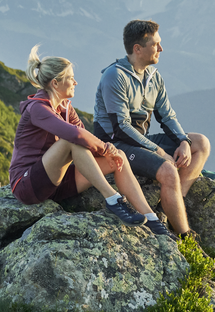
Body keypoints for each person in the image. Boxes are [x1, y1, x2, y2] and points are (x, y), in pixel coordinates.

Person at [9, 46, 174, 239]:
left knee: (118, 158)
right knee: (70, 142)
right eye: (70, 78)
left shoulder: (65, 108)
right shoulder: (37, 109)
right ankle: (113, 200)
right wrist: (105, 147)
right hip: (28, 184)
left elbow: (85, 136)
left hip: (56, 183)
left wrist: (110, 153)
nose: (75, 82)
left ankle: (151, 219)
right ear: (55, 83)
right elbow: (76, 135)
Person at [93, 19, 210, 237]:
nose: (161, 49)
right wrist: (159, 151)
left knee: (200, 143)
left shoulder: (154, 77)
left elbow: (167, 116)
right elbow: (121, 128)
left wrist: (184, 141)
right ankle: (185, 236)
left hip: (140, 140)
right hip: (117, 144)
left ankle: (176, 202)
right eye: (156, 44)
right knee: (168, 170)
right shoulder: (114, 76)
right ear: (137, 49)